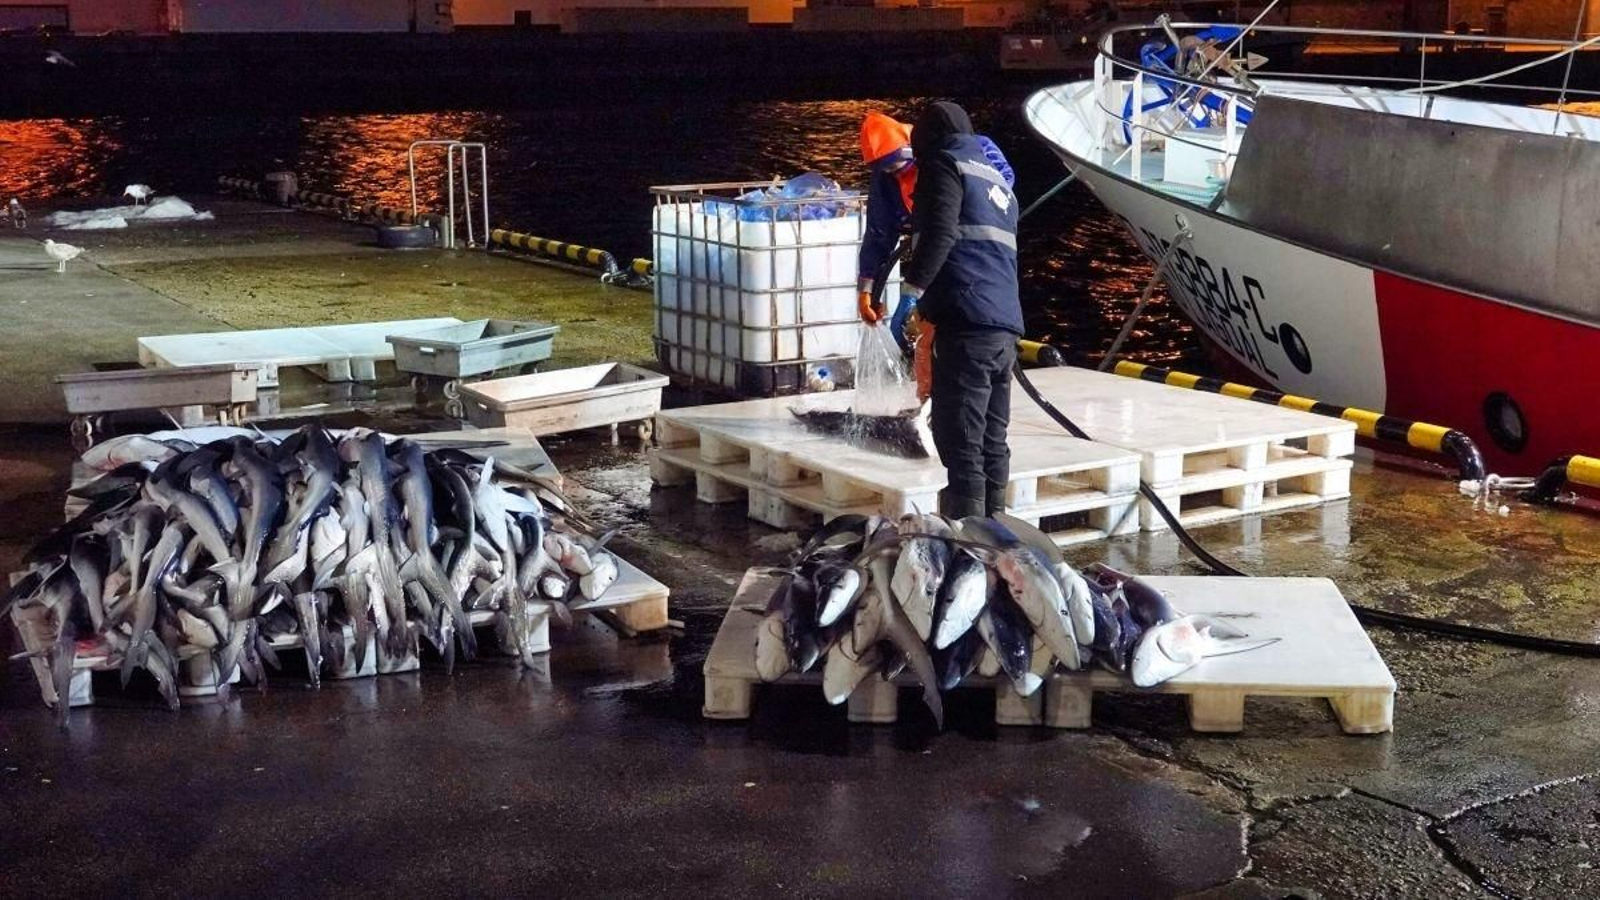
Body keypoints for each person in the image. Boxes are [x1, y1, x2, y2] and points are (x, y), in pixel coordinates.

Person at [898, 101, 1023, 519]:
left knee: (961, 434)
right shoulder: (997, 182)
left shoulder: (945, 165)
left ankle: (968, 532)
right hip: (1004, 327)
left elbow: (940, 233)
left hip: (966, 321)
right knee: (992, 435)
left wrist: (912, 291)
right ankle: (996, 525)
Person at [855, 111, 1014, 356]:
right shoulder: (887, 179)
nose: (897, 175)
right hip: (940, 268)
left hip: (975, 269)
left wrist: (910, 293)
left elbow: (942, 231)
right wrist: (867, 287)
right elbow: (879, 231)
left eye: (899, 167)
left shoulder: (959, 159)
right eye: (888, 170)